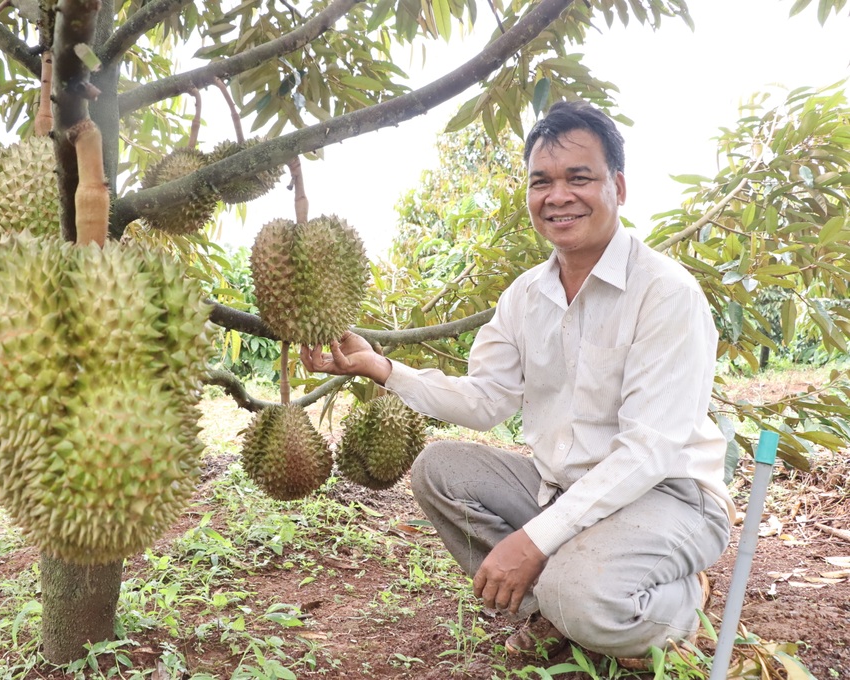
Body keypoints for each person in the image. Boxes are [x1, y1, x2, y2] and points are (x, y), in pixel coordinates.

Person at [300, 100, 735, 661]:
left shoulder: (666, 294)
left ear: (618, 187)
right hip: (568, 490)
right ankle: (560, 609)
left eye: (580, 178)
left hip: (671, 496)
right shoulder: (525, 296)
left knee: (578, 592)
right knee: (441, 470)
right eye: (541, 182)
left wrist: (533, 541)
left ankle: (680, 601)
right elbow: (485, 400)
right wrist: (380, 368)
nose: (558, 196)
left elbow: (648, 452)